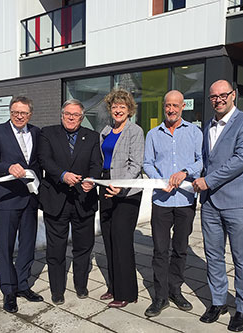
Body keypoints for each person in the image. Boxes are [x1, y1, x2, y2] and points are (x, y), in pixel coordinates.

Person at [192, 80, 243, 332]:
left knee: (242, 258)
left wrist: (206, 181)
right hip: (210, 203)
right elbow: (204, 160)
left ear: (234, 95)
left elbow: (241, 160)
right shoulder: (207, 125)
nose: (218, 99)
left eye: (223, 95)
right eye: (213, 96)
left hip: (238, 202)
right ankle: (218, 301)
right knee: (213, 255)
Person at [142, 90, 203, 317]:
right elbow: (147, 163)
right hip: (161, 200)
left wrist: (185, 172)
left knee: (180, 249)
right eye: (168, 105)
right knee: (160, 250)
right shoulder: (153, 134)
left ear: (182, 107)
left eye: (175, 105)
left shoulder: (195, 132)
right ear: (164, 107)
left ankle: (175, 290)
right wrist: (159, 180)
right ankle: (160, 296)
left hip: (186, 200)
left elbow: (201, 161)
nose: (171, 109)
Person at [38, 99, 102, 305]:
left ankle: (81, 285)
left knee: (83, 247)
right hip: (56, 199)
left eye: (76, 115)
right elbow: (44, 160)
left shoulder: (92, 136)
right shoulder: (47, 133)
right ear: (61, 114)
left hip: (84, 199)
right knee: (56, 249)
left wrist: (91, 181)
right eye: (68, 114)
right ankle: (57, 290)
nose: (71, 117)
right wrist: (63, 174)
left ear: (82, 118)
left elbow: (96, 164)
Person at [0, 95, 43, 314]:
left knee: (28, 244)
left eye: (23, 113)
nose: (19, 116)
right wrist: (9, 167)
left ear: (30, 114)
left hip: (30, 198)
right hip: (7, 199)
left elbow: (38, 163)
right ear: (10, 112)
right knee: (6, 247)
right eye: (15, 112)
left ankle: (23, 285)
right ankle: (9, 291)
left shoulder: (36, 132)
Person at [97, 89, 144, 308]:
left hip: (126, 191)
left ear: (129, 110)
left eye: (122, 107)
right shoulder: (105, 131)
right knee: (108, 238)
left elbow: (136, 164)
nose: (118, 110)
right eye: (115, 106)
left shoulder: (135, 131)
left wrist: (121, 186)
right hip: (106, 187)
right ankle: (114, 287)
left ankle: (127, 292)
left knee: (122, 239)